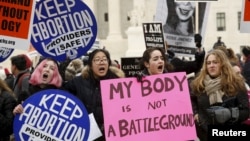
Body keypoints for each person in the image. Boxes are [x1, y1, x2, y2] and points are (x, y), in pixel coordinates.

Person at [63, 49, 125, 141]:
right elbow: (62, 95)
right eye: (97, 59)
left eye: (104, 59)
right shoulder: (78, 82)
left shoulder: (119, 83)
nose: (101, 62)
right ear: (91, 65)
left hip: (111, 135)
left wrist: (139, 82)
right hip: (86, 134)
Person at [190, 49, 249, 141]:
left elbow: (245, 111)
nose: (211, 66)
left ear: (223, 64)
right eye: (208, 63)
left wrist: (230, 113)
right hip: (204, 134)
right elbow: (192, 99)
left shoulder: (237, 84)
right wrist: (196, 113)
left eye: (215, 62)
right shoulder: (199, 84)